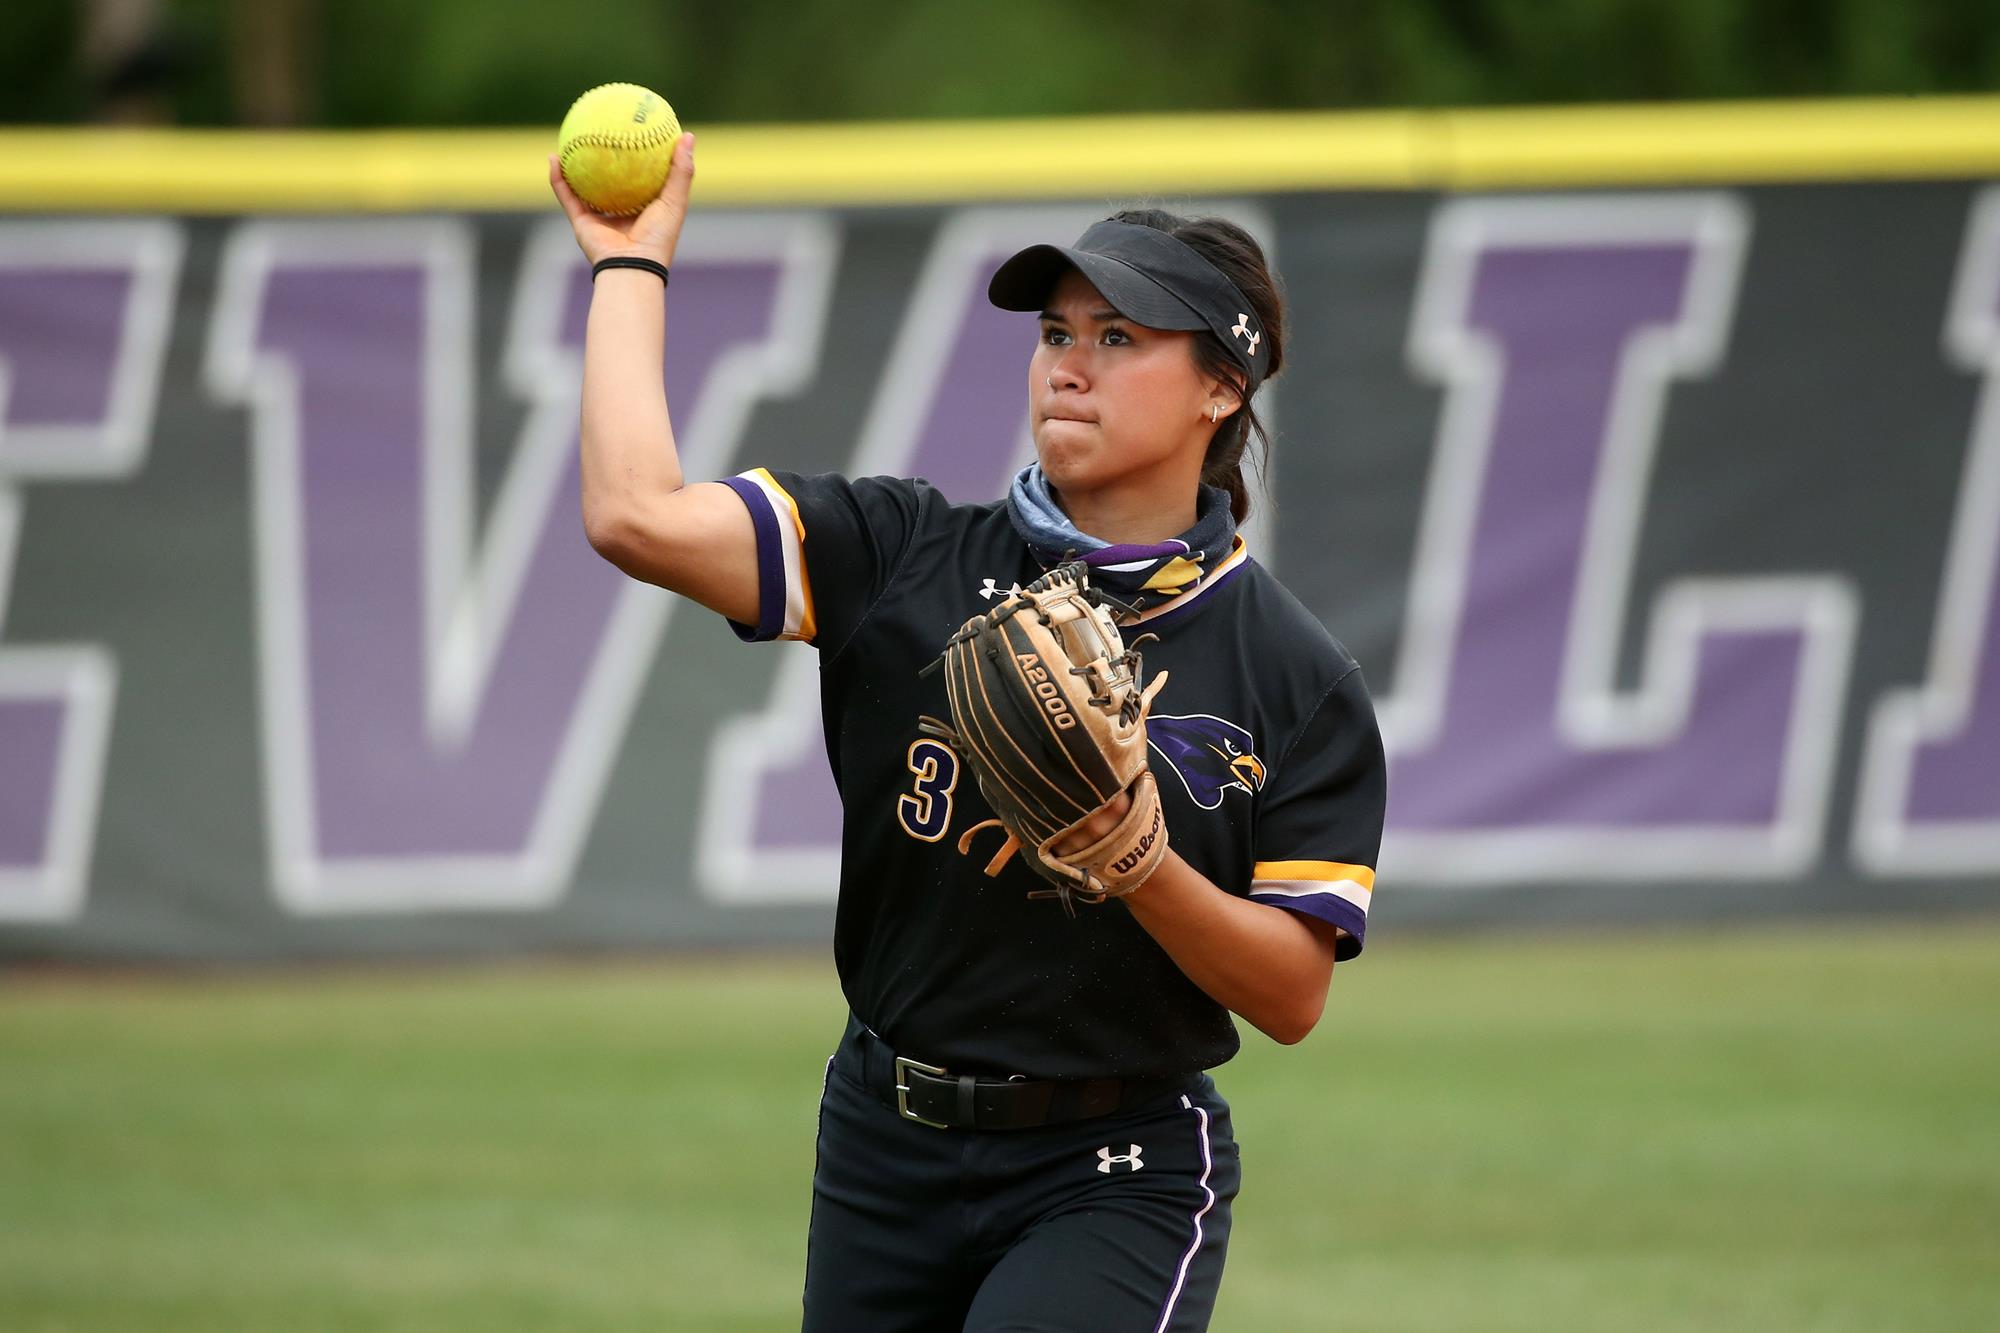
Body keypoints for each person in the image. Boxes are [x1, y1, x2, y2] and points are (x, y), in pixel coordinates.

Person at [551, 135, 1387, 1332]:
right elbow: (632, 516)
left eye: (1118, 338)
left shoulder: (1290, 676)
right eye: (1056, 333)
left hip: (1115, 1168)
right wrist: (630, 268)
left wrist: (1138, 865)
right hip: (881, 1142)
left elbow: (1292, 994)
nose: (1068, 366)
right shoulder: (904, 555)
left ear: (1221, 387)